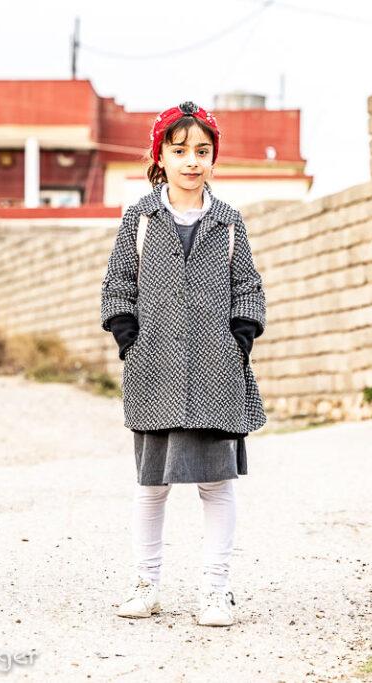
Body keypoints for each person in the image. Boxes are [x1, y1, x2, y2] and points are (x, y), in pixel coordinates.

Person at [100, 102, 267, 627]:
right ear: (161, 157)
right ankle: (145, 583)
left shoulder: (230, 222)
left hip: (218, 373)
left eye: (202, 151)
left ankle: (216, 590)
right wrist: (130, 339)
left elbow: (250, 288)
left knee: (217, 485)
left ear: (214, 158)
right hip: (154, 371)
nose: (191, 161)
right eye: (179, 151)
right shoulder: (140, 219)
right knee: (152, 485)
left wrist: (240, 337)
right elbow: (117, 284)